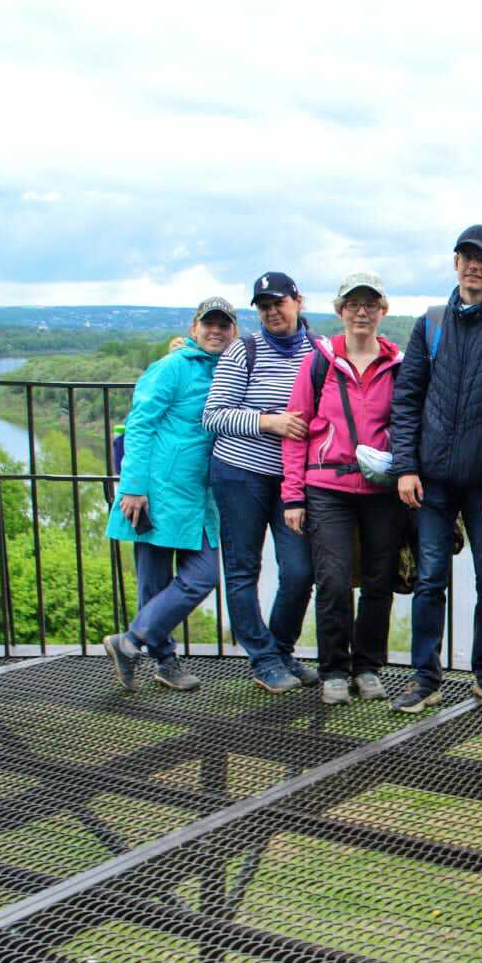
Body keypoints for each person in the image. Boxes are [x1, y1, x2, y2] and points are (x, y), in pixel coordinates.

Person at [388, 225, 482, 712]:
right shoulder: (429, 324)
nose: (474, 265)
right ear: (455, 263)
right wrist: (406, 467)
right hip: (430, 479)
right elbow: (407, 400)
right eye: (466, 257)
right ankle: (425, 679)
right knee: (430, 578)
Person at [282, 272, 405, 706]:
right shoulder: (318, 362)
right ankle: (333, 668)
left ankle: (367, 667)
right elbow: (296, 431)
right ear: (340, 311)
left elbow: (406, 427)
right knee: (332, 580)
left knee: (378, 580)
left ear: (382, 311)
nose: (361, 311)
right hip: (327, 486)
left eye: (370, 304)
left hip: (381, 489)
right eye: (353, 304)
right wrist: (292, 495)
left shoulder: (398, 365)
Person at [104, 297, 238, 692]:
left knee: (202, 576)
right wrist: (133, 488)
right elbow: (139, 426)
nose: (216, 331)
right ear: (195, 327)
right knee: (155, 583)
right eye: (208, 324)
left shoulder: (230, 368)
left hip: (199, 495)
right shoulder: (170, 368)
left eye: (224, 325)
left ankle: (128, 643)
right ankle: (164, 661)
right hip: (157, 492)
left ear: (233, 331)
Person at [202, 272, 318, 694]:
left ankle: (281, 650)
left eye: (278, 303)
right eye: (263, 306)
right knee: (243, 568)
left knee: (299, 570)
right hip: (239, 474)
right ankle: (264, 659)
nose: (271, 312)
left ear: (297, 302)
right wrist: (269, 421)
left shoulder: (317, 351)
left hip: (291, 482)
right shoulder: (242, 350)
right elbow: (214, 414)